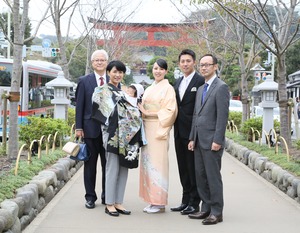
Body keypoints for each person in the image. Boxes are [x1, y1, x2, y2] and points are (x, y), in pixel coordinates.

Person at [92, 60, 145, 217]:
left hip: (127, 136)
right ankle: (109, 203)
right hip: (112, 134)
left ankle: (118, 201)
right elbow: (101, 114)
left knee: (124, 167)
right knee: (112, 167)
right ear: (108, 72)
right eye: (115, 72)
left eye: (121, 72)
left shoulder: (123, 92)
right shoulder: (101, 90)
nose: (118, 75)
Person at [188, 54, 229, 225]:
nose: (203, 68)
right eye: (202, 65)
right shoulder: (200, 88)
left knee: (213, 177)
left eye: (207, 65)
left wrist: (217, 140)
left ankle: (217, 212)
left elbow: (222, 117)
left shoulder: (221, 87)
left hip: (212, 141)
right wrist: (192, 138)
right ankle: (205, 209)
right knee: (201, 176)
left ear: (215, 67)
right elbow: (196, 115)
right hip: (198, 140)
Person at [138, 58, 178, 214]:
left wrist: (149, 112)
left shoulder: (168, 89)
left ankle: (159, 202)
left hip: (159, 128)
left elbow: (170, 111)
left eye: (161, 69)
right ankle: (151, 200)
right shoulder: (149, 88)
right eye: (155, 68)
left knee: (158, 164)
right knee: (148, 164)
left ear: (166, 71)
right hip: (147, 128)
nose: (158, 71)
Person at [171, 49, 204, 215]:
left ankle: (194, 202)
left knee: (193, 168)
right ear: (179, 64)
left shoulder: (200, 81)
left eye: (188, 61)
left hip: (193, 133)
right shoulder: (177, 82)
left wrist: (194, 134)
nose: (185, 64)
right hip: (178, 131)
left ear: (194, 62)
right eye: (182, 61)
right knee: (182, 168)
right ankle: (185, 200)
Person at [75, 49, 108, 209]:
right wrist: (79, 127)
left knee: (108, 165)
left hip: (109, 131)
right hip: (89, 130)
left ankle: (107, 196)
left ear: (106, 62)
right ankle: (90, 197)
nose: (100, 62)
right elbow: (79, 106)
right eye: (97, 60)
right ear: (92, 63)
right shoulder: (84, 81)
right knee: (90, 165)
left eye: (102, 60)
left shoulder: (113, 79)